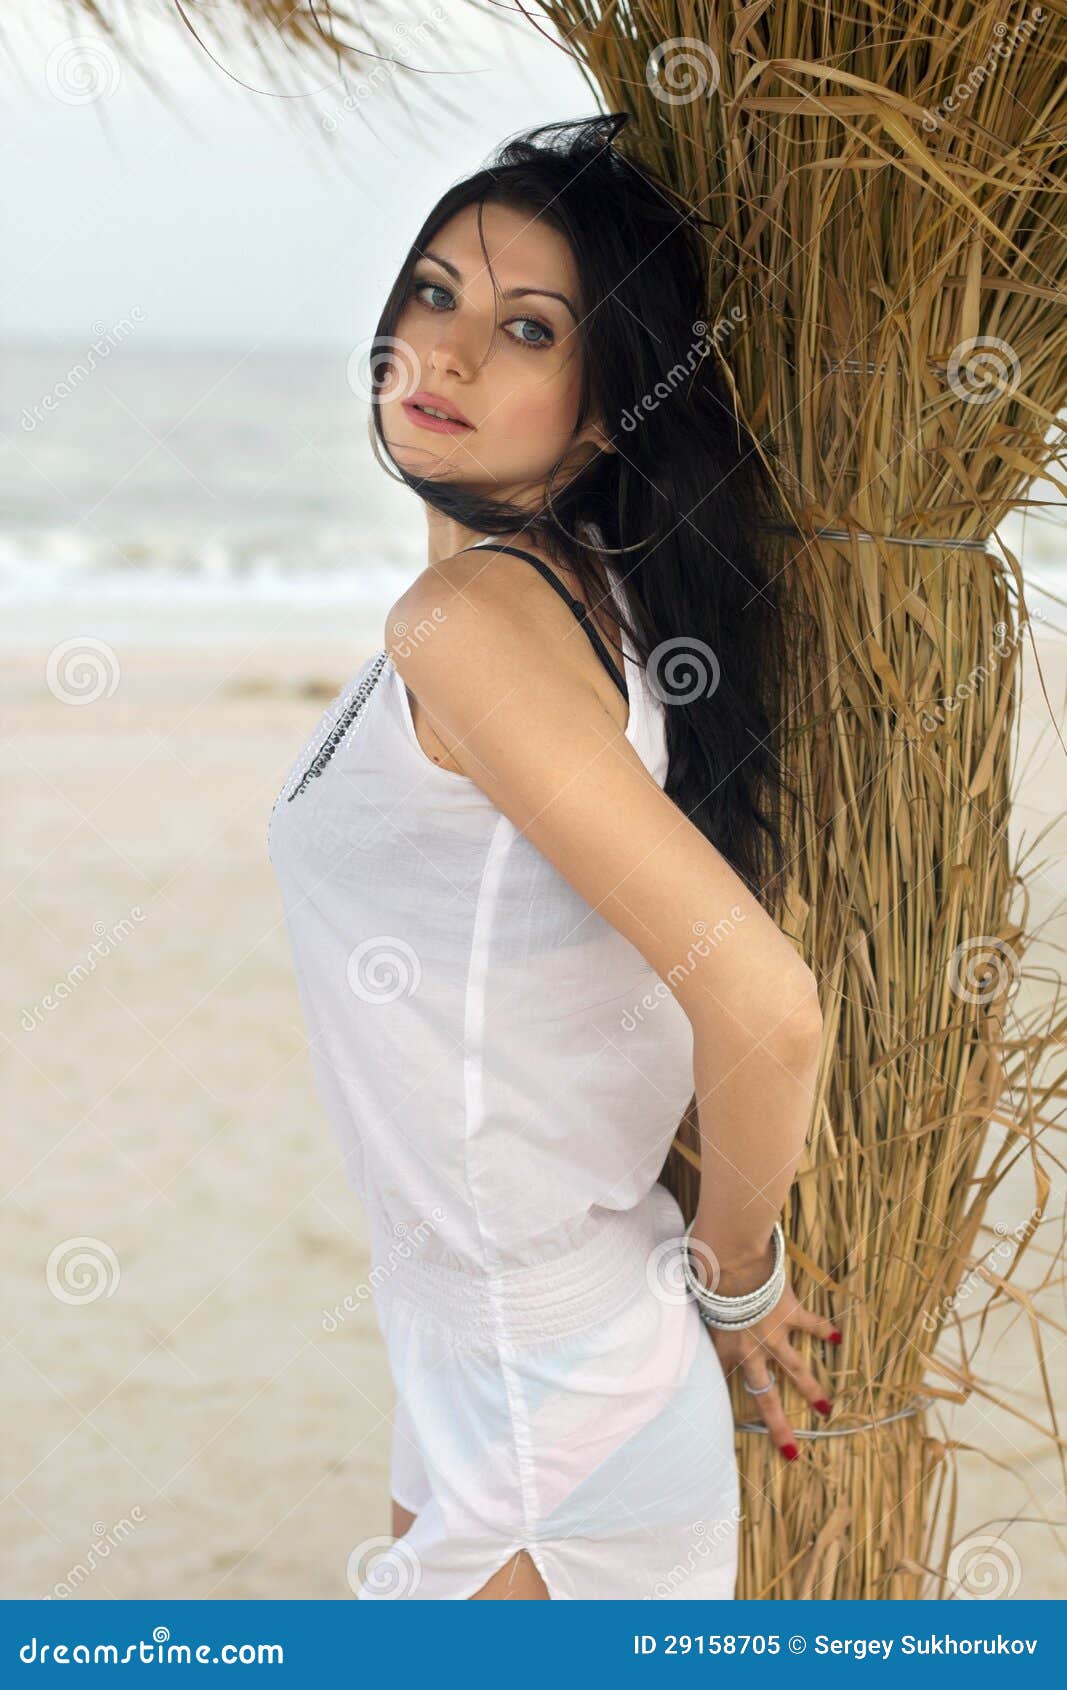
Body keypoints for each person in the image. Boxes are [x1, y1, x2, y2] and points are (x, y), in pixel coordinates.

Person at [269, 113, 836, 1601]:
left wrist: (740, 1271)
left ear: (599, 412)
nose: (443, 351)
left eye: (526, 328)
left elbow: (767, 1008)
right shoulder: (556, 603)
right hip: (477, 1357)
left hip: (551, 1391)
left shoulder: (467, 627)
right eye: (433, 294)